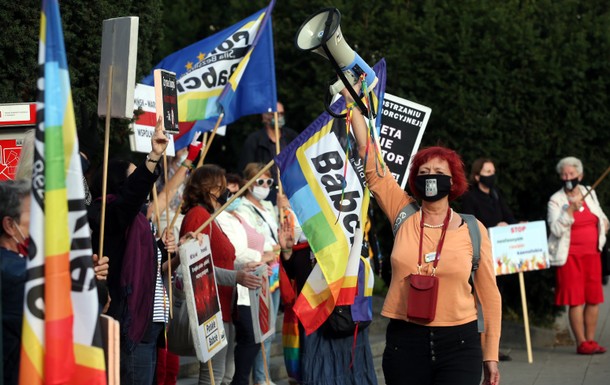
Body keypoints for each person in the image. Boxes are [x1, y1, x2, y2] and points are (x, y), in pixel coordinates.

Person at [345, 85, 502, 385]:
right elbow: (374, 168)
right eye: (425, 171)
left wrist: (490, 355)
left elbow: (490, 297)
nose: (432, 177)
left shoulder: (472, 229)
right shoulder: (403, 214)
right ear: (416, 179)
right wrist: (353, 109)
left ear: (453, 181)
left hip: (460, 345)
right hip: (405, 342)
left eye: (440, 173)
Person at [88, 119, 172, 385]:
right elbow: (130, 199)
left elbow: (142, 262)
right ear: (117, 183)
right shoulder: (109, 214)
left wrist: (164, 249)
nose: (144, 184)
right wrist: (153, 157)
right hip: (124, 320)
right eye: (135, 176)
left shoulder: (137, 221)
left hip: (146, 321)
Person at [1, 180, 109, 385]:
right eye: (34, 215)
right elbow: (75, 320)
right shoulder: (21, 276)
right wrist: (88, 285)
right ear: (9, 225)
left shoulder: (21, 267)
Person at [277, 202, 378, 385]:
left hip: (346, 315)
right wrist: (287, 251)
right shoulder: (307, 231)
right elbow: (297, 273)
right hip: (317, 322)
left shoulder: (349, 226)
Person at [179, 165, 237, 385]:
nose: (225, 191)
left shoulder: (210, 216)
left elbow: (222, 258)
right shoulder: (198, 216)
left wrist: (242, 268)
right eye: (221, 186)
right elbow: (197, 267)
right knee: (213, 376)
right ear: (210, 188)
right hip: (210, 309)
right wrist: (236, 277)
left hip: (223, 307)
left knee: (224, 374)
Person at [547, 156, 609, 355]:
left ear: (580, 175)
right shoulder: (556, 200)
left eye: (571, 174)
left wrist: (605, 223)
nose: (568, 178)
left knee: (593, 298)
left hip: (592, 254)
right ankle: (581, 342)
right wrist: (570, 212)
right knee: (576, 300)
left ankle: (591, 340)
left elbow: (599, 214)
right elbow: (555, 229)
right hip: (570, 257)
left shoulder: (588, 192)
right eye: (564, 174)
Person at [461, 157, 517, 361]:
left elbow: (509, 217)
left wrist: (516, 226)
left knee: (494, 300)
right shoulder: (470, 198)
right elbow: (470, 225)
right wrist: (493, 229)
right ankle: (479, 346)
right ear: (477, 176)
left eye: (493, 171)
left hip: (499, 256)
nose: (491, 175)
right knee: (479, 301)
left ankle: (492, 346)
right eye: (487, 172)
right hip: (481, 256)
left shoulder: (495, 194)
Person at [215, 173, 269, 385]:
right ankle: (239, 381)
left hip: (247, 279)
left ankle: (238, 380)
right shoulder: (218, 217)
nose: (234, 195)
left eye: (237, 191)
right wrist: (259, 256)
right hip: (233, 283)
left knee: (253, 337)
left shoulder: (237, 215)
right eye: (230, 192)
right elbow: (234, 251)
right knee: (249, 336)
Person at [236, 163, 281, 385]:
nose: (264, 186)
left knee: (270, 327)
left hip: (275, 270)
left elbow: (278, 237)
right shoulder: (241, 208)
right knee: (263, 326)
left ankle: (263, 375)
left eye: (268, 182)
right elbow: (253, 240)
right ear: (248, 183)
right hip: (260, 269)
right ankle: (261, 378)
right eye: (259, 182)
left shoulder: (269, 206)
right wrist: (270, 250)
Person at [238, 102, 298, 204]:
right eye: (274, 114)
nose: (278, 117)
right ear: (264, 117)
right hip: (266, 193)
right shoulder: (254, 140)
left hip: (292, 192)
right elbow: (246, 170)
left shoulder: (292, 137)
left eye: (281, 114)